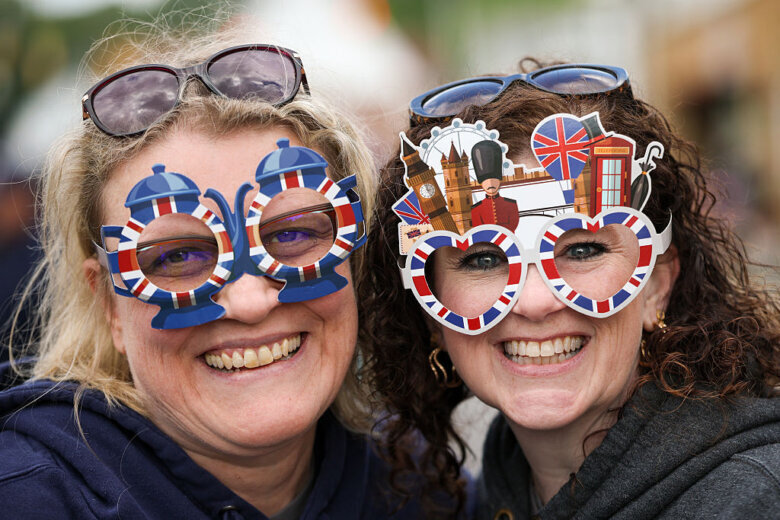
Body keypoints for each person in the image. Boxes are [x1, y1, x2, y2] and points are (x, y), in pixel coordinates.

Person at [0, 20, 424, 520]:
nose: (249, 302)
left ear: (354, 254)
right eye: (177, 257)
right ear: (108, 304)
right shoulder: (24, 498)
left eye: (291, 235)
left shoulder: (426, 490)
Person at [359, 61, 780, 519]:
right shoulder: (486, 494)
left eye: (582, 250)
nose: (536, 301)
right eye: (483, 259)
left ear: (657, 285)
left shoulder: (752, 501)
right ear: (431, 312)